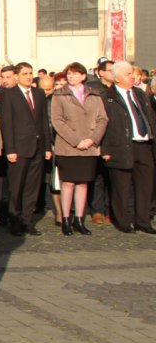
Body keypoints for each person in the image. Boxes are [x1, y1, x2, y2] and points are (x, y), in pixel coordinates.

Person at [50, 62, 107, 236]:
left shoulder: (94, 95)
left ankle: (79, 219)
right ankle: (66, 219)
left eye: (75, 74)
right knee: (67, 183)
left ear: (83, 76)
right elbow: (57, 121)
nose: (71, 76)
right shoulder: (59, 95)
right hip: (68, 147)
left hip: (89, 146)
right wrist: (76, 140)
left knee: (83, 183)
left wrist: (93, 139)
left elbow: (102, 119)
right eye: (69, 74)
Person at [100, 60, 156, 234]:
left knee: (145, 185)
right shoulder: (108, 96)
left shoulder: (139, 93)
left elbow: (150, 117)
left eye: (132, 73)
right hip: (122, 145)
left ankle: (143, 220)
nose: (132, 76)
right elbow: (104, 124)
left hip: (144, 144)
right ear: (117, 78)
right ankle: (123, 221)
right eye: (127, 74)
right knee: (121, 186)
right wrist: (106, 149)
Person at [0, 62, 53, 237]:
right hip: (19, 148)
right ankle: (14, 221)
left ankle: (27, 221)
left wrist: (46, 146)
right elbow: (7, 124)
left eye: (30, 73)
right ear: (16, 76)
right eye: (25, 74)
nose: (29, 76)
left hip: (37, 147)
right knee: (16, 187)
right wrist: (10, 149)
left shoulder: (38, 94)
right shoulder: (9, 95)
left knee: (32, 187)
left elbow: (43, 121)